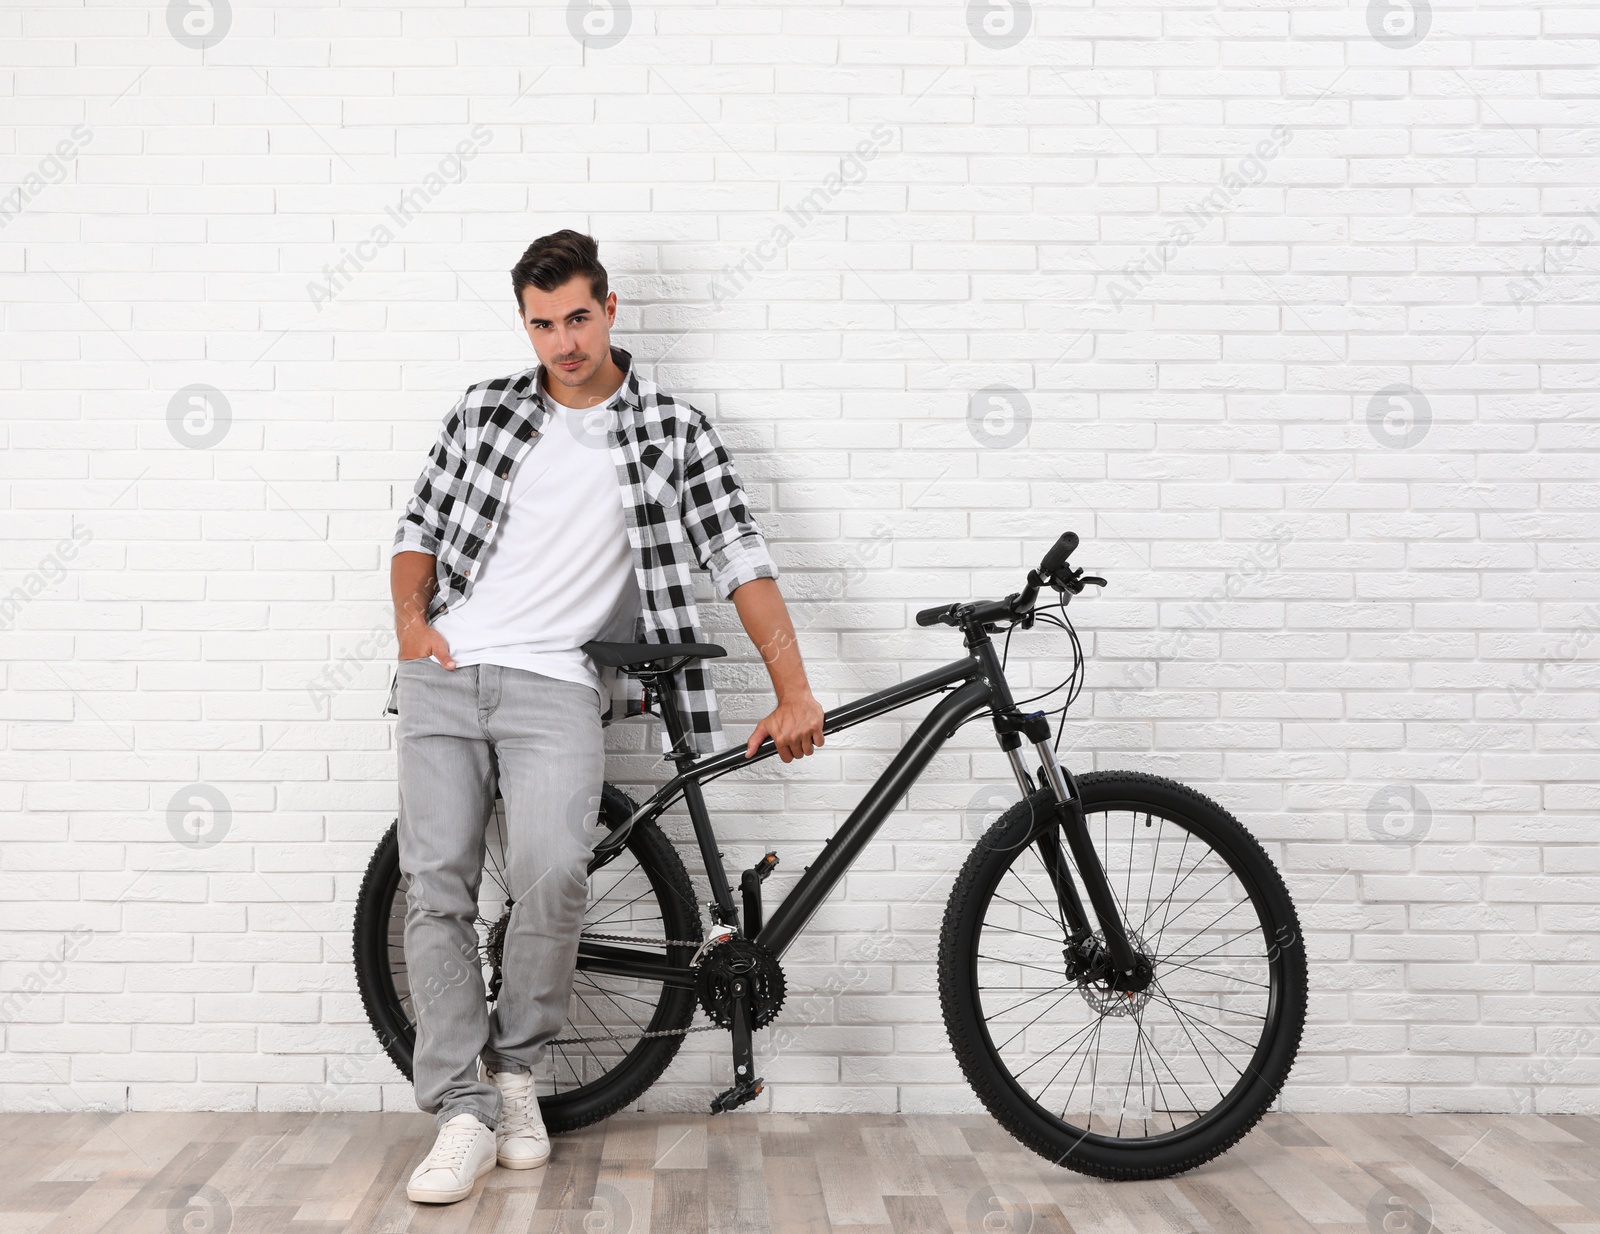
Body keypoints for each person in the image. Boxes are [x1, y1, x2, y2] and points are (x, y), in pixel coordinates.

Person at [387, 230, 825, 1205]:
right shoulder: (483, 411)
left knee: (551, 877)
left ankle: (515, 1075)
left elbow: (738, 557)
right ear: (525, 323)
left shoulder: (671, 429)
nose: (563, 341)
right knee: (438, 892)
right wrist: (414, 626)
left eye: (577, 317)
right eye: (542, 324)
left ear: (611, 307)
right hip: (448, 676)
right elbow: (416, 529)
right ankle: (460, 1108)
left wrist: (792, 687)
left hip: (556, 685)